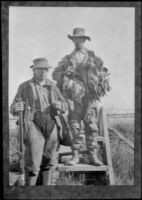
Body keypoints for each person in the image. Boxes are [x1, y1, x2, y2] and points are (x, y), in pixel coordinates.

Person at [53, 27, 111, 166]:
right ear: (73, 40)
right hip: (74, 98)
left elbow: (103, 73)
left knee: (91, 126)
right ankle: (75, 156)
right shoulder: (67, 59)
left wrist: (97, 75)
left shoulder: (93, 57)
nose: (78, 41)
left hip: (90, 97)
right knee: (74, 126)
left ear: (85, 40)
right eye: (76, 39)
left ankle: (93, 156)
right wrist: (66, 74)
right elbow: (55, 74)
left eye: (81, 39)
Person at [10, 58, 69, 185]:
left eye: (46, 69)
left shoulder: (53, 86)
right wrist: (16, 107)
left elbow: (65, 103)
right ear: (34, 70)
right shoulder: (25, 86)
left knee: (50, 160)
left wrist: (61, 105)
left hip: (52, 122)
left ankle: (44, 192)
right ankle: (30, 192)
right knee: (33, 162)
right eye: (40, 69)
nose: (43, 71)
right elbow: (14, 106)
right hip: (33, 122)